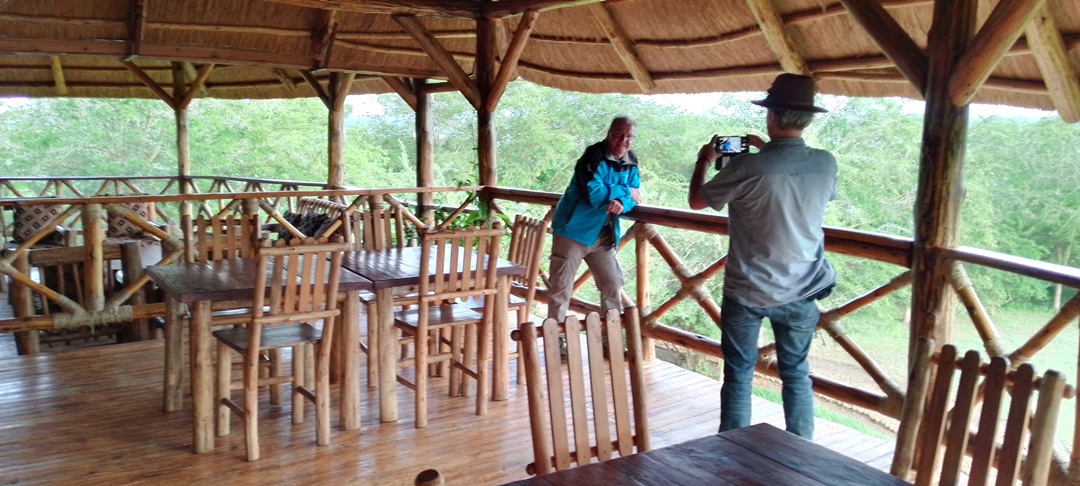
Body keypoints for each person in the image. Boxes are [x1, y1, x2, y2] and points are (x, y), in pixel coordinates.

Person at [686, 74, 837, 440]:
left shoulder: (746, 166)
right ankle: (801, 454)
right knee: (796, 374)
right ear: (807, 119)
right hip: (803, 287)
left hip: (748, 289)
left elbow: (697, 201)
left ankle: (733, 453)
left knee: (739, 373)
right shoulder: (825, 163)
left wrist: (705, 160)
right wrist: (766, 149)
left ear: (771, 117)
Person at [547, 116, 642, 324]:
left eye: (629, 136)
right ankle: (555, 341)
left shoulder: (631, 161)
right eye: (618, 134)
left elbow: (636, 198)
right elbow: (594, 195)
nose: (623, 140)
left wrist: (622, 203)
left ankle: (611, 340)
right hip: (573, 230)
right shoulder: (593, 155)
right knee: (561, 288)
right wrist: (624, 192)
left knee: (613, 285)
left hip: (603, 235)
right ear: (609, 134)